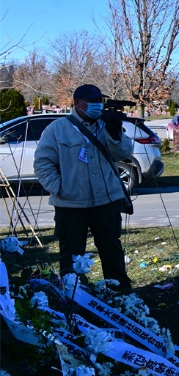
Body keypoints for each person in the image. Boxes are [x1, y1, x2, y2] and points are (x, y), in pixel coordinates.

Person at [34, 84, 135, 291]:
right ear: (78, 103)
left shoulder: (105, 126)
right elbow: (42, 164)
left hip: (106, 201)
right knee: (71, 253)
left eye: (100, 101)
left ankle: (121, 293)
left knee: (111, 249)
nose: (97, 105)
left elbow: (124, 153)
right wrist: (60, 188)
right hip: (71, 204)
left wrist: (115, 133)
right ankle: (73, 295)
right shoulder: (57, 129)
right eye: (92, 101)